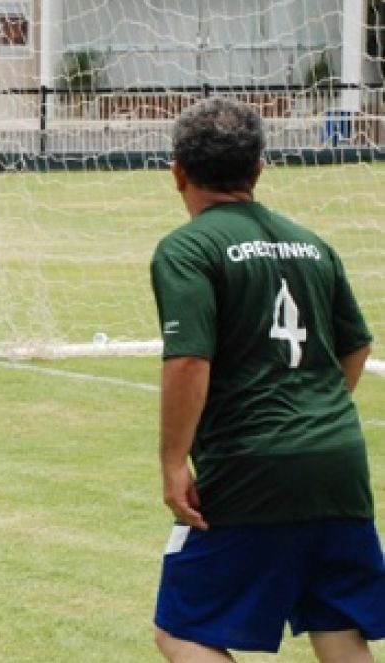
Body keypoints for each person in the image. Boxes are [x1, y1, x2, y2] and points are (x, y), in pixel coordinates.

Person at [150, 96, 385, 662]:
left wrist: (173, 462)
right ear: (259, 167)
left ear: (177, 171)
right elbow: (356, 345)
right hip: (338, 464)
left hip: (251, 468)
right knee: (336, 623)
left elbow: (187, 360)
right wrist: (311, 410)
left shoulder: (187, 249)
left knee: (184, 630)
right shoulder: (312, 243)